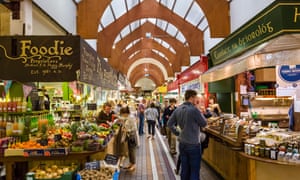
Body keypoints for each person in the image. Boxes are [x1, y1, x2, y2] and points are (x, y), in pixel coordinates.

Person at [167, 89, 207, 180]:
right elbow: (204, 123)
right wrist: (198, 108)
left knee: (184, 169)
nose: (196, 100)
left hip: (182, 144)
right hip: (193, 144)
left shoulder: (178, 109)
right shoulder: (194, 110)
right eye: (196, 98)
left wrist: (177, 133)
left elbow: (169, 123)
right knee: (194, 170)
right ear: (192, 97)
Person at [118, 106, 138, 171]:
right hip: (130, 135)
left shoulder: (130, 118)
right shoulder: (128, 117)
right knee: (130, 150)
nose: (122, 115)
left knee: (132, 151)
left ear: (125, 113)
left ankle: (133, 165)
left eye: (122, 114)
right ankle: (130, 164)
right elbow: (123, 119)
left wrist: (126, 130)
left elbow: (133, 128)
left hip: (132, 135)